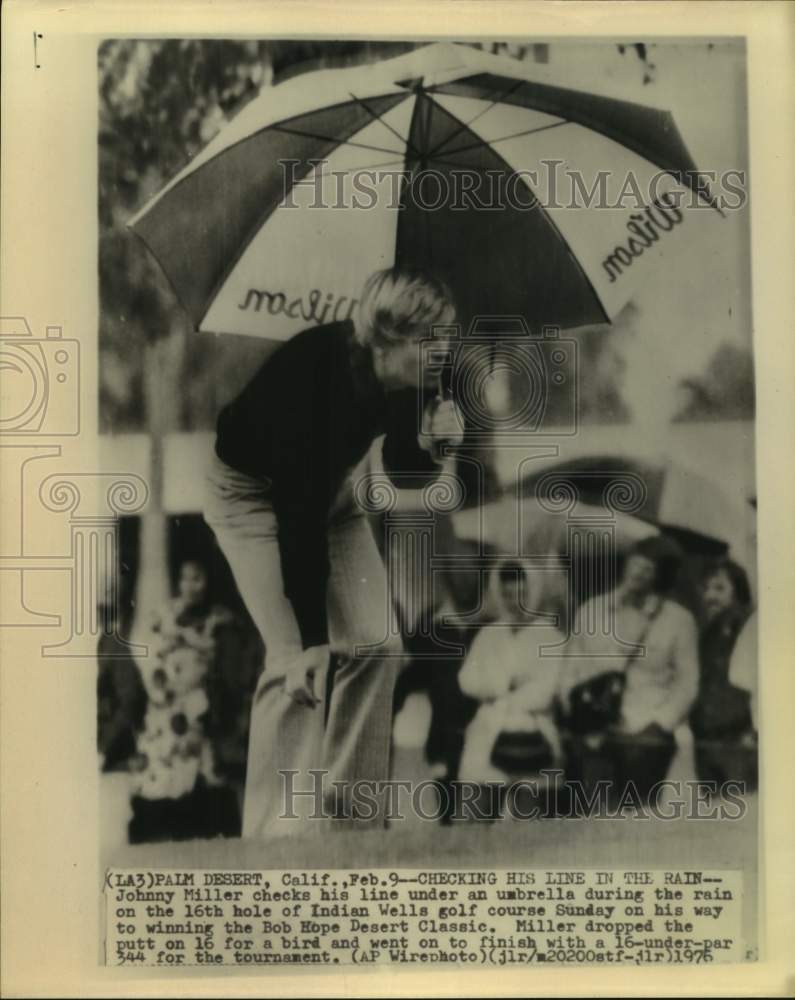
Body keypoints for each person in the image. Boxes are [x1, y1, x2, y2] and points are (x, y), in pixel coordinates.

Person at [203, 268, 463, 837]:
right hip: (250, 496)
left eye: (445, 336)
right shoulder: (315, 375)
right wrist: (317, 643)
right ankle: (276, 837)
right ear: (385, 338)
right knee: (295, 663)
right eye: (428, 339)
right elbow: (298, 522)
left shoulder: (409, 376)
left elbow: (403, 469)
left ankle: (354, 828)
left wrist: (438, 444)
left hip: (331, 493)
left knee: (379, 645)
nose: (440, 351)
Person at [558, 536, 699, 807]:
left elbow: (688, 682)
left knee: (641, 823)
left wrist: (659, 726)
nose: (637, 574)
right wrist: (575, 713)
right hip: (595, 733)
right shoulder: (591, 611)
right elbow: (570, 668)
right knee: (598, 821)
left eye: (648, 569)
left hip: (648, 735)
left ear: (662, 577)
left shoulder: (679, 621)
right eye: (635, 564)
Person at [457, 560, 565, 817]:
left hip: (533, 735)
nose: (514, 601)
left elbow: (547, 689)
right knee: (473, 817)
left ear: (534, 593)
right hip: (488, 733)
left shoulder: (551, 638)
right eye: (506, 594)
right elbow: (467, 679)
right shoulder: (488, 635)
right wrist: (502, 685)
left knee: (527, 822)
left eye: (521, 594)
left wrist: (511, 698)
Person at [690, 558, 756, 790]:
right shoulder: (708, 632)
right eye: (706, 588)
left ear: (737, 591)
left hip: (738, 739)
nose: (710, 596)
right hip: (708, 739)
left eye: (719, 588)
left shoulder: (747, 628)